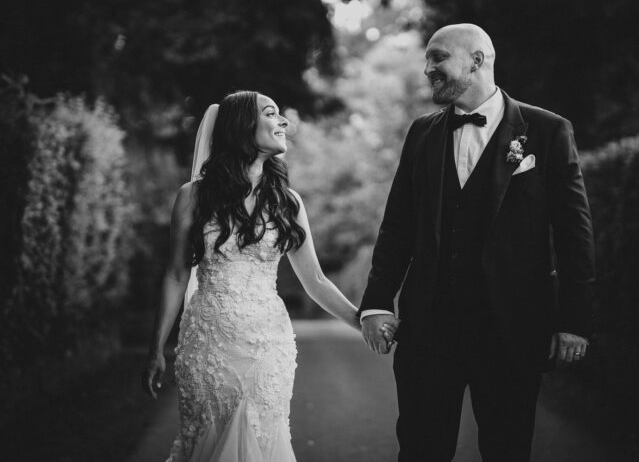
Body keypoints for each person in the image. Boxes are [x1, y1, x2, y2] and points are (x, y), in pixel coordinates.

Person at [358, 24, 595, 461]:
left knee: (507, 448)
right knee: (420, 448)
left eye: (438, 57)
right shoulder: (421, 133)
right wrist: (375, 303)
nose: (428, 69)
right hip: (429, 327)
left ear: (477, 61)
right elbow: (398, 226)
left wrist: (574, 318)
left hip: (511, 326)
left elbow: (574, 232)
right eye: (428, 60)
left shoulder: (547, 131)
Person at [141, 90, 394, 462]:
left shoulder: (287, 201)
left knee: (261, 441)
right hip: (208, 343)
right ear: (243, 126)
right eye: (272, 114)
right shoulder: (192, 197)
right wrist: (156, 348)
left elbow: (316, 281)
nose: (284, 122)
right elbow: (177, 274)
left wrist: (362, 320)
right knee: (207, 441)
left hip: (268, 346)